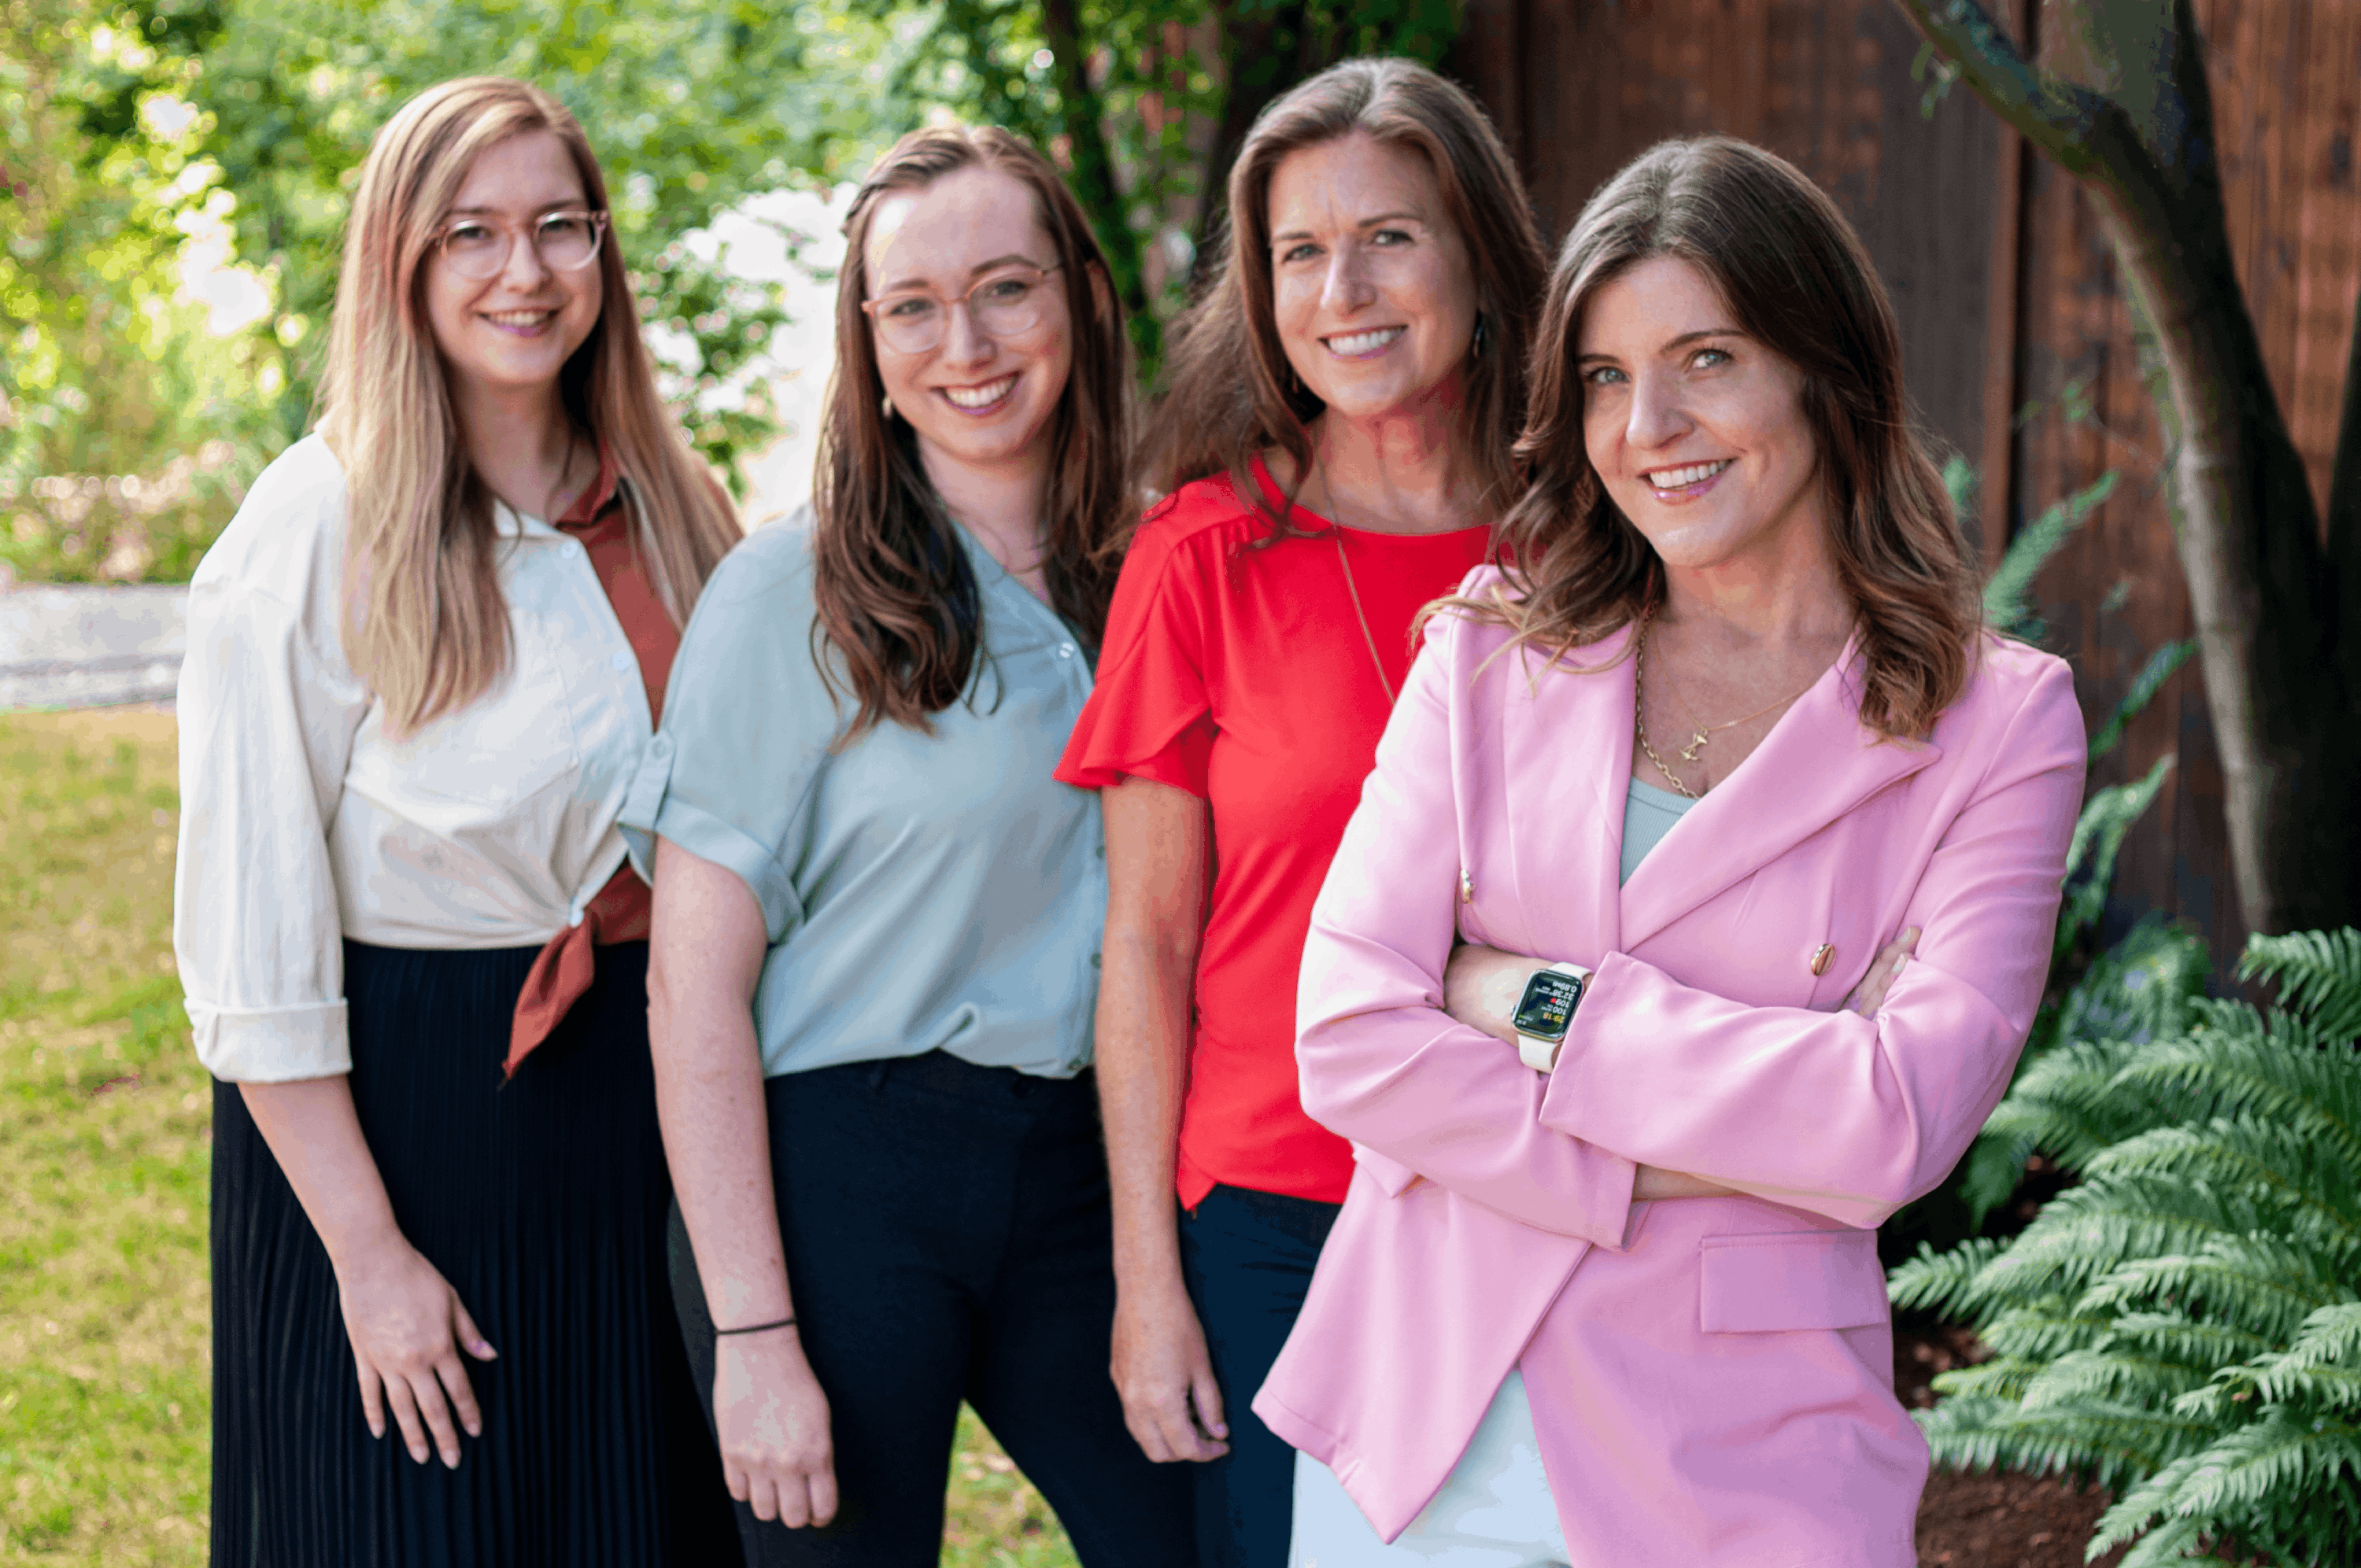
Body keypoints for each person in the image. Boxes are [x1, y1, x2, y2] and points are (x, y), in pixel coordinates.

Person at [1255, 135, 2087, 1564]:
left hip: (1746, 1463)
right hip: (1422, 1424)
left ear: (1826, 370)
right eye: (1605, 376)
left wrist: (1522, 997)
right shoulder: (1487, 654)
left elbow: (1896, 1123)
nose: (1650, 424)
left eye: (1706, 358)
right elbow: (1344, 1036)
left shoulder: (2000, 722)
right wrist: (1731, 1135)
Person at [176, 76, 742, 1566]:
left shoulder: (673, 504)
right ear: (403, 263)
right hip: (408, 1111)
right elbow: (253, 962)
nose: (525, 270)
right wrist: (369, 1260)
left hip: (643, 1098)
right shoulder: (316, 525)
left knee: (638, 1517)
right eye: (473, 233)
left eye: (562, 226)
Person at [626, 124, 1195, 1567]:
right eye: (914, 307)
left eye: (1007, 287)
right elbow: (690, 987)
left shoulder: (1164, 566)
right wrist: (752, 1330)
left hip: (1089, 1165)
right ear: (869, 349)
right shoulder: (789, 596)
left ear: (1081, 295)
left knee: (1199, 1538)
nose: (968, 342)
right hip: (846, 1178)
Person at [1055, 57, 1547, 1568]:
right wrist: (1149, 1273)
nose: (1347, 288)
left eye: (1390, 235)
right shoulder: (1201, 554)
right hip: (1280, 1208)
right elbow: (1144, 943)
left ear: (1476, 252)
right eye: (1297, 251)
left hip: (1553, 1185)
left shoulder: (1593, 540)